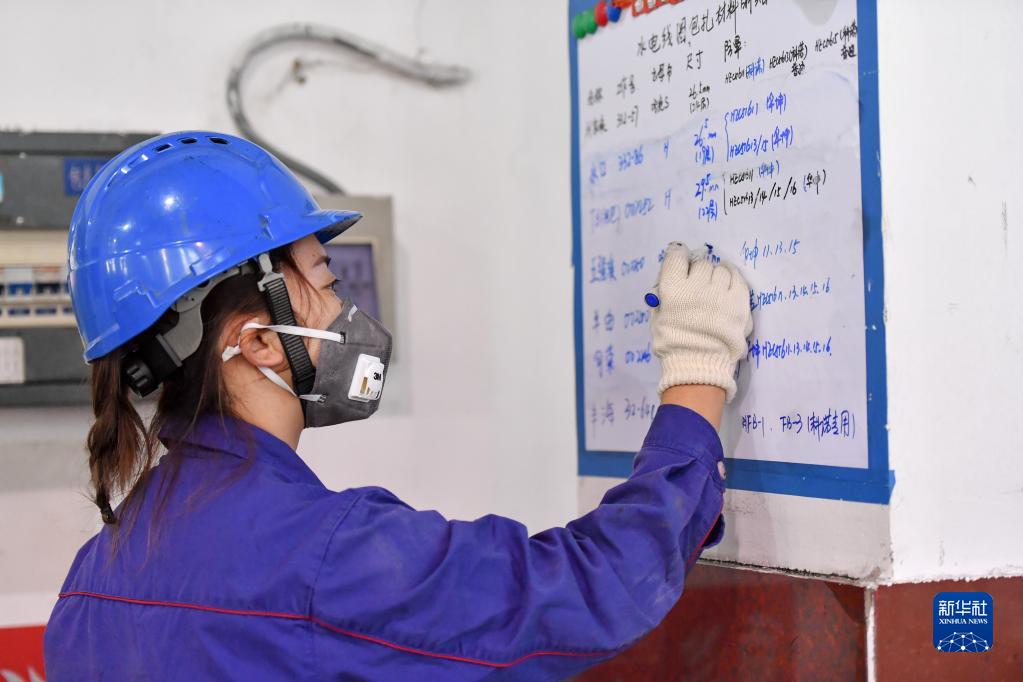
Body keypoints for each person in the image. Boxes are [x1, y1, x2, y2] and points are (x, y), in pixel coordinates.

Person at [43, 131, 753, 681]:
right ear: (259, 341)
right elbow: (585, 589)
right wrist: (695, 373)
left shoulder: (89, 582)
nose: (346, 310)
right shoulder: (324, 556)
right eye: (326, 280)